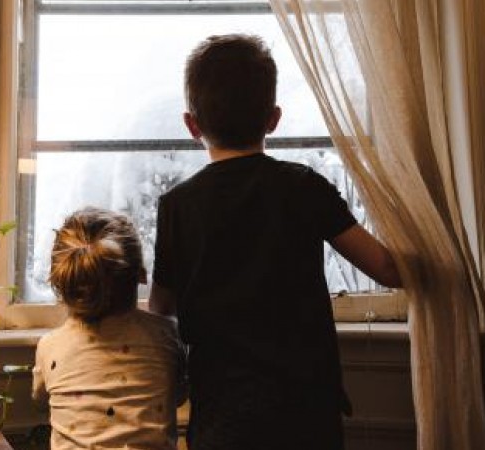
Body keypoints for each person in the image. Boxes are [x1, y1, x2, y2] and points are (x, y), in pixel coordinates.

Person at [149, 34, 402, 450]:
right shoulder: (303, 186)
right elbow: (387, 268)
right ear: (274, 118)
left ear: (192, 125)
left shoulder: (177, 206)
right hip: (305, 412)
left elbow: (161, 308)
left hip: (222, 417)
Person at [32, 207, 186, 450]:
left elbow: (40, 399)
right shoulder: (166, 336)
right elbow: (178, 396)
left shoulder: (50, 347)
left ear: (63, 285)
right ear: (141, 275)